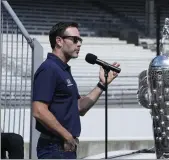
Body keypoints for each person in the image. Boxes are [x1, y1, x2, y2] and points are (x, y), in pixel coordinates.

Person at [32, 22, 120, 159]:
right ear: (59, 41)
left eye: (80, 40)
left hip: (64, 147)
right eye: (74, 39)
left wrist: (102, 85)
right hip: (54, 147)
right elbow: (39, 110)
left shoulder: (62, 69)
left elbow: (79, 107)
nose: (79, 44)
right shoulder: (49, 69)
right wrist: (67, 136)